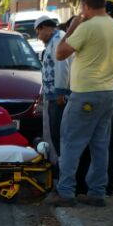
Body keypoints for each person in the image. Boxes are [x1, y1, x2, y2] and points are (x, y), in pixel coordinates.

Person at [49, 0, 113, 208]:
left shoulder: (87, 27)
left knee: (71, 142)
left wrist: (71, 28)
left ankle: (66, 192)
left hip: (85, 93)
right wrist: (106, 80)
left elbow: (60, 53)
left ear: (85, 6)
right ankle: (97, 192)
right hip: (107, 92)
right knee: (100, 144)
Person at [36, 17, 63, 161]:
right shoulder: (52, 42)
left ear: (45, 27)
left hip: (57, 97)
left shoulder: (58, 40)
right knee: (54, 134)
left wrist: (60, 92)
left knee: (58, 134)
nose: (38, 37)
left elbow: (61, 67)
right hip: (51, 95)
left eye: (38, 32)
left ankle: (62, 170)